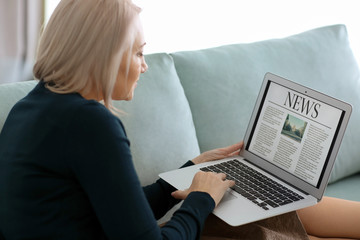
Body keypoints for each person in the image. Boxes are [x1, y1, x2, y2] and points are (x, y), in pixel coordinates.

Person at [0, 0, 359, 239]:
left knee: (251, 203)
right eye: (139, 52)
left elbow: (115, 210)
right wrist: (200, 200)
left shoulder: (34, 109)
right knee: (239, 215)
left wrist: (192, 168)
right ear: (104, 57)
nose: (144, 65)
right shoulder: (89, 123)